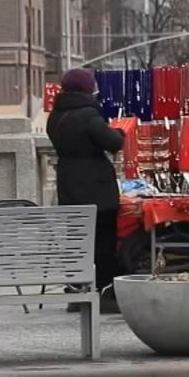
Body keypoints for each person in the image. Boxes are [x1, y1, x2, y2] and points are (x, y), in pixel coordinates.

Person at [48, 68, 124, 303]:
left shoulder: (55, 116)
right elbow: (114, 142)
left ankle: (76, 286)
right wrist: (119, 131)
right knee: (103, 239)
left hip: (69, 184)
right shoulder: (90, 116)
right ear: (87, 89)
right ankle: (103, 288)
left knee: (76, 237)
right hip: (97, 188)